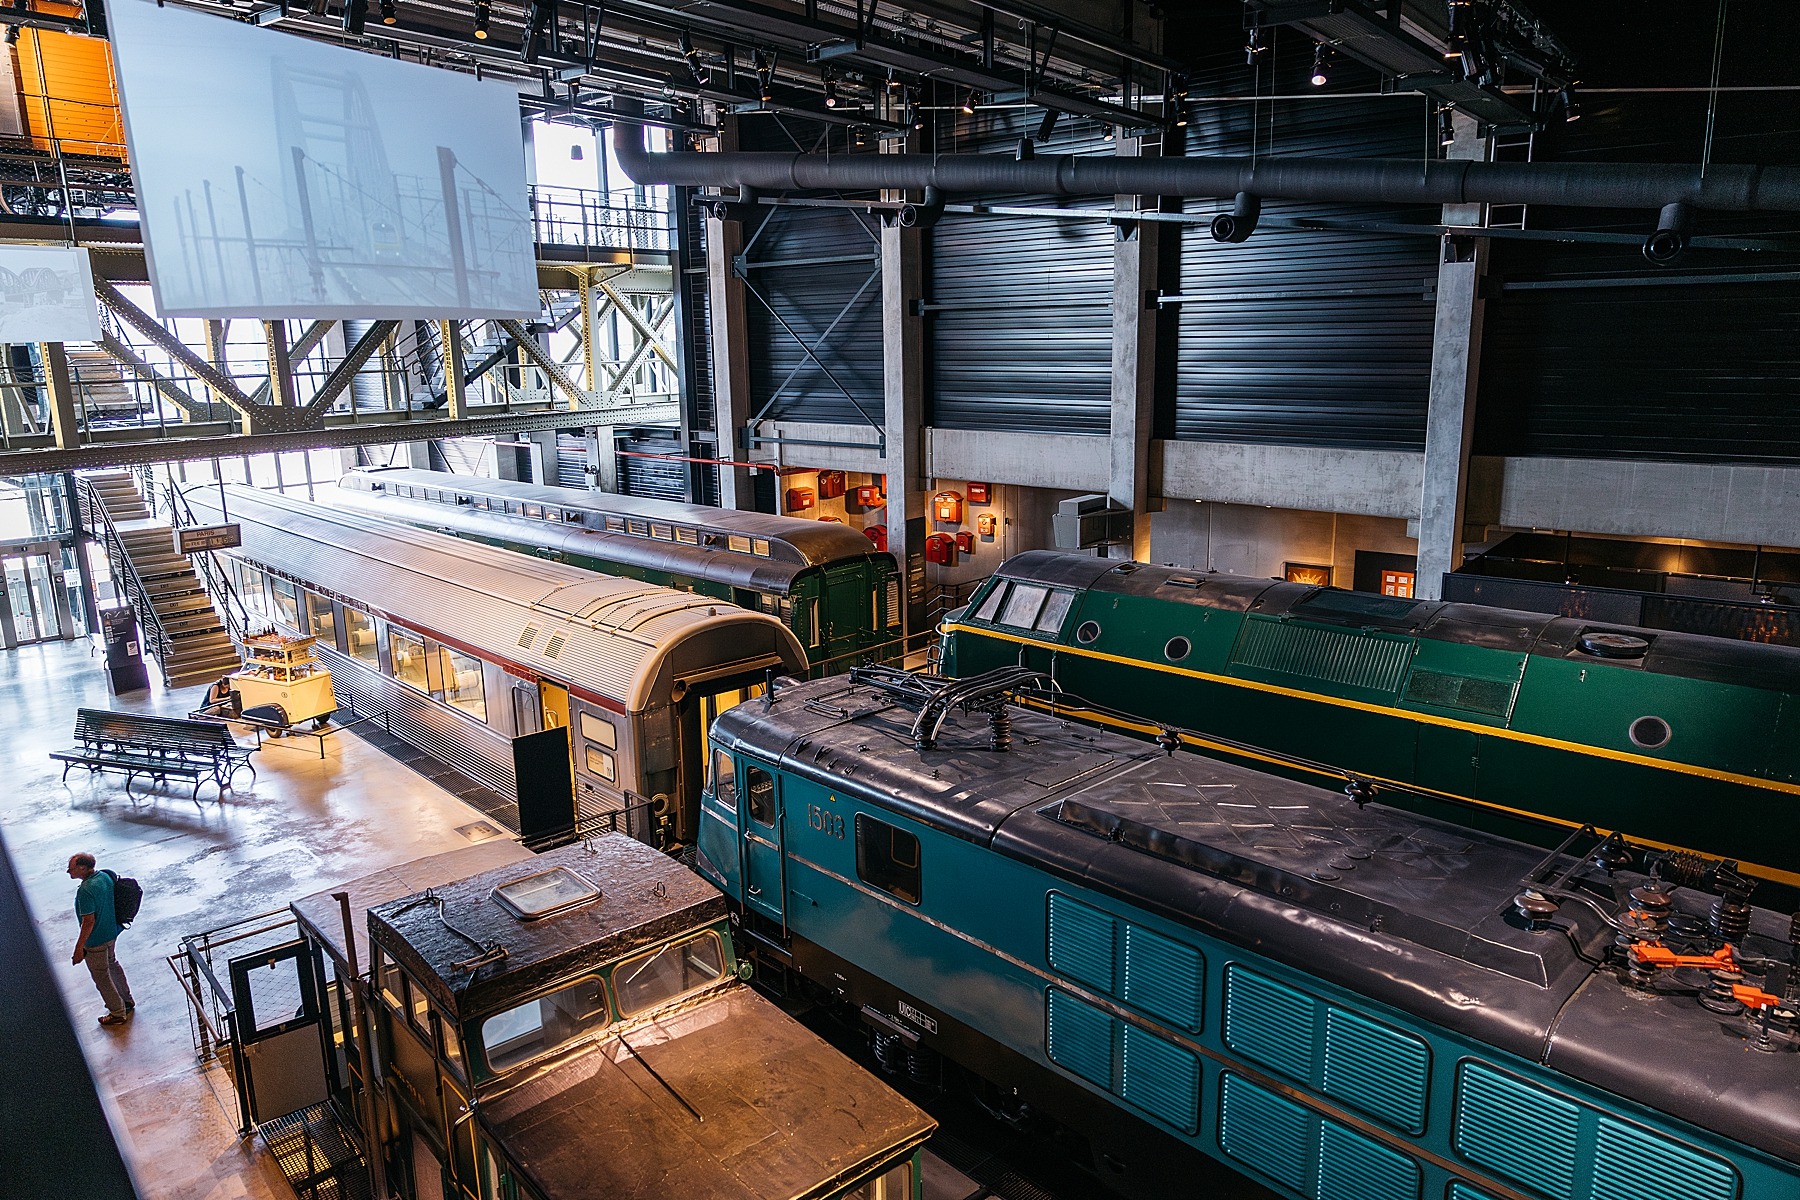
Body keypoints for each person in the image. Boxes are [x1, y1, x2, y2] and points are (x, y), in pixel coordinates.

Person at [68, 853, 134, 1027]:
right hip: (111, 932)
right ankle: (126, 1000)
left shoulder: (85, 891)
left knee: (102, 977)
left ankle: (117, 1013)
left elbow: (88, 922)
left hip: (96, 941)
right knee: (112, 964)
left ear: (82, 868)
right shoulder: (105, 876)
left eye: (71, 867)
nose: (68, 870)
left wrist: (79, 948)